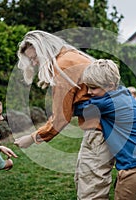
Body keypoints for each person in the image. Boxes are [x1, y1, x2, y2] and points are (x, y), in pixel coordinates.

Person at [13, 30, 114, 199]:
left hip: (100, 130)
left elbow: (61, 118)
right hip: (106, 127)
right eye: (31, 60)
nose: (35, 62)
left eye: (34, 57)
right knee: (86, 179)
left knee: (91, 192)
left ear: (45, 50)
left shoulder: (62, 67)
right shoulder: (72, 55)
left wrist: (31, 138)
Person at [74, 59, 136, 200]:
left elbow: (78, 109)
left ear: (110, 85)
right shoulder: (122, 93)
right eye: (87, 87)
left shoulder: (109, 102)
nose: (88, 92)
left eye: (93, 88)